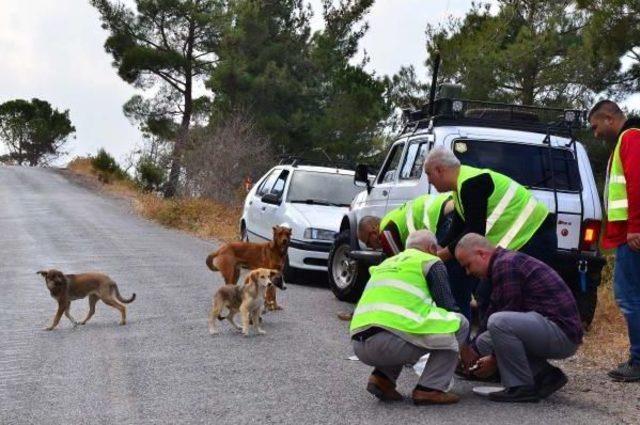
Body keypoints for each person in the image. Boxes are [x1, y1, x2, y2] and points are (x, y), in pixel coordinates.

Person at [455, 234, 583, 403]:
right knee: (485, 340)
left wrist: (494, 359)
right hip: (549, 329)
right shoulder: (502, 264)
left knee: (499, 323)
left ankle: (520, 387)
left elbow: (506, 314)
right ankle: (546, 375)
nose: (468, 272)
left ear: (481, 254)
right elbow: (493, 316)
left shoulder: (506, 265)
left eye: (468, 265)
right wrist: (473, 351)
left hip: (562, 334)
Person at [350, 230, 469, 405]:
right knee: (459, 323)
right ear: (432, 248)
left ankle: (382, 379)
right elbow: (447, 306)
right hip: (389, 344)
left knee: (404, 326)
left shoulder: (387, 263)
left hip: (359, 343)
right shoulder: (430, 261)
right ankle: (430, 389)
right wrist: (465, 347)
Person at [423, 147, 556, 266]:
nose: (428, 180)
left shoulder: (471, 184)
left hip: (535, 234)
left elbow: (474, 231)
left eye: (428, 174)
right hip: (527, 237)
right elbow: (457, 229)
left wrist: (439, 256)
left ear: (439, 170)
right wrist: (438, 248)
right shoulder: (461, 186)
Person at [588, 99, 640, 382]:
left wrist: (635, 227)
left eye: (596, 126)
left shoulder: (631, 139)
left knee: (629, 297)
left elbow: (637, 182)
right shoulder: (627, 140)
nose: (595, 133)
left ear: (609, 118)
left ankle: (638, 361)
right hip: (628, 234)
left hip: (631, 237)